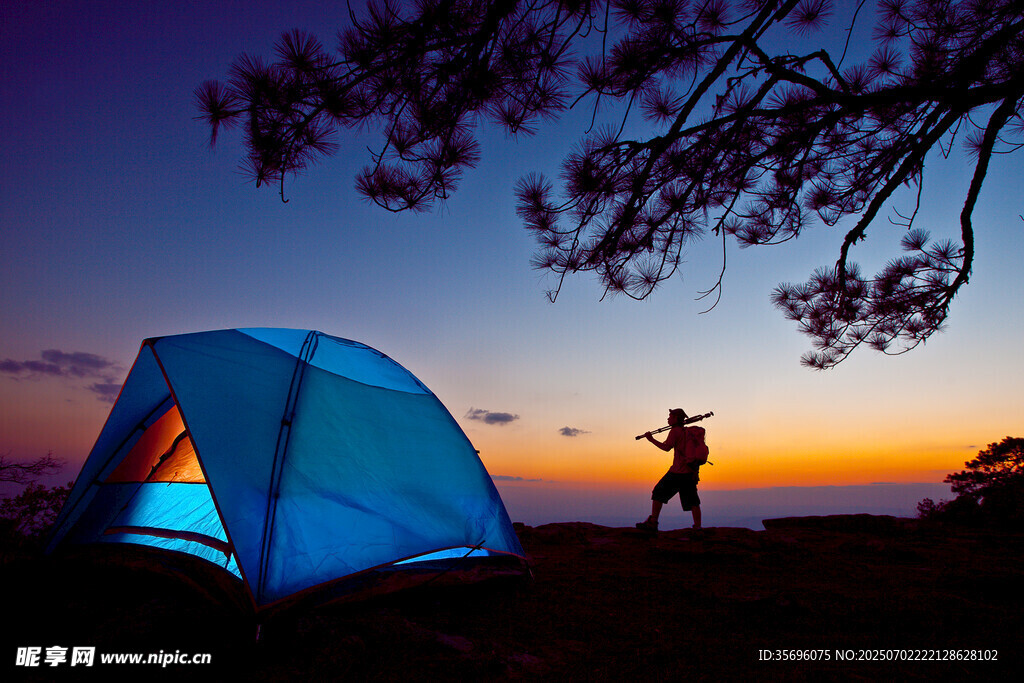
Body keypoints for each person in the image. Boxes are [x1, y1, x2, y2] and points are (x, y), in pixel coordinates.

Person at [636, 408, 703, 532]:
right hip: (690, 472)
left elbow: (667, 448)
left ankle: (653, 522)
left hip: (677, 471)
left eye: (670, 416)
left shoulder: (675, 431)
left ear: (676, 418)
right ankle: (698, 527)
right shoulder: (686, 431)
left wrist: (651, 440)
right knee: (693, 500)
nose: (668, 418)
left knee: (658, 493)